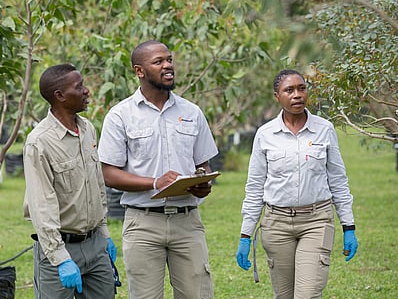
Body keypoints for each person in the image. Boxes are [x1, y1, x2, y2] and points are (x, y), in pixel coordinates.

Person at [98, 40, 218, 299]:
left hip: (187, 222)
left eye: (170, 60)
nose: (168, 66)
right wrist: (155, 183)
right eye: (159, 62)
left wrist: (202, 182)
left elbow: (203, 164)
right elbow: (108, 173)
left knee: (198, 294)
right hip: (143, 223)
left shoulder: (192, 112)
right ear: (139, 71)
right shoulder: (120, 115)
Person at [235, 69, 358, 299]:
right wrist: (245, 235)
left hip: (317, 221)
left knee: (308, 294)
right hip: (276, 225)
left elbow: (338, 181)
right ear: (277, 96)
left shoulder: (324, 129)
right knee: (284, 296)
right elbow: (255, 187)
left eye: (301, 88)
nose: (297, 95)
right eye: (289, 90)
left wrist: (348, 226)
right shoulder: (265, 134)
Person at [23, 63, 117, 299]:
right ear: (60, 96)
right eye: (80, 87)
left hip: (95, 246)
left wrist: (104, 235)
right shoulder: (39, 142)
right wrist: (60, 258)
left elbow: (97, 186)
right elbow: (41, 204)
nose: (87, 91)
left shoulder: (88, 130)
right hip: (59, 249)